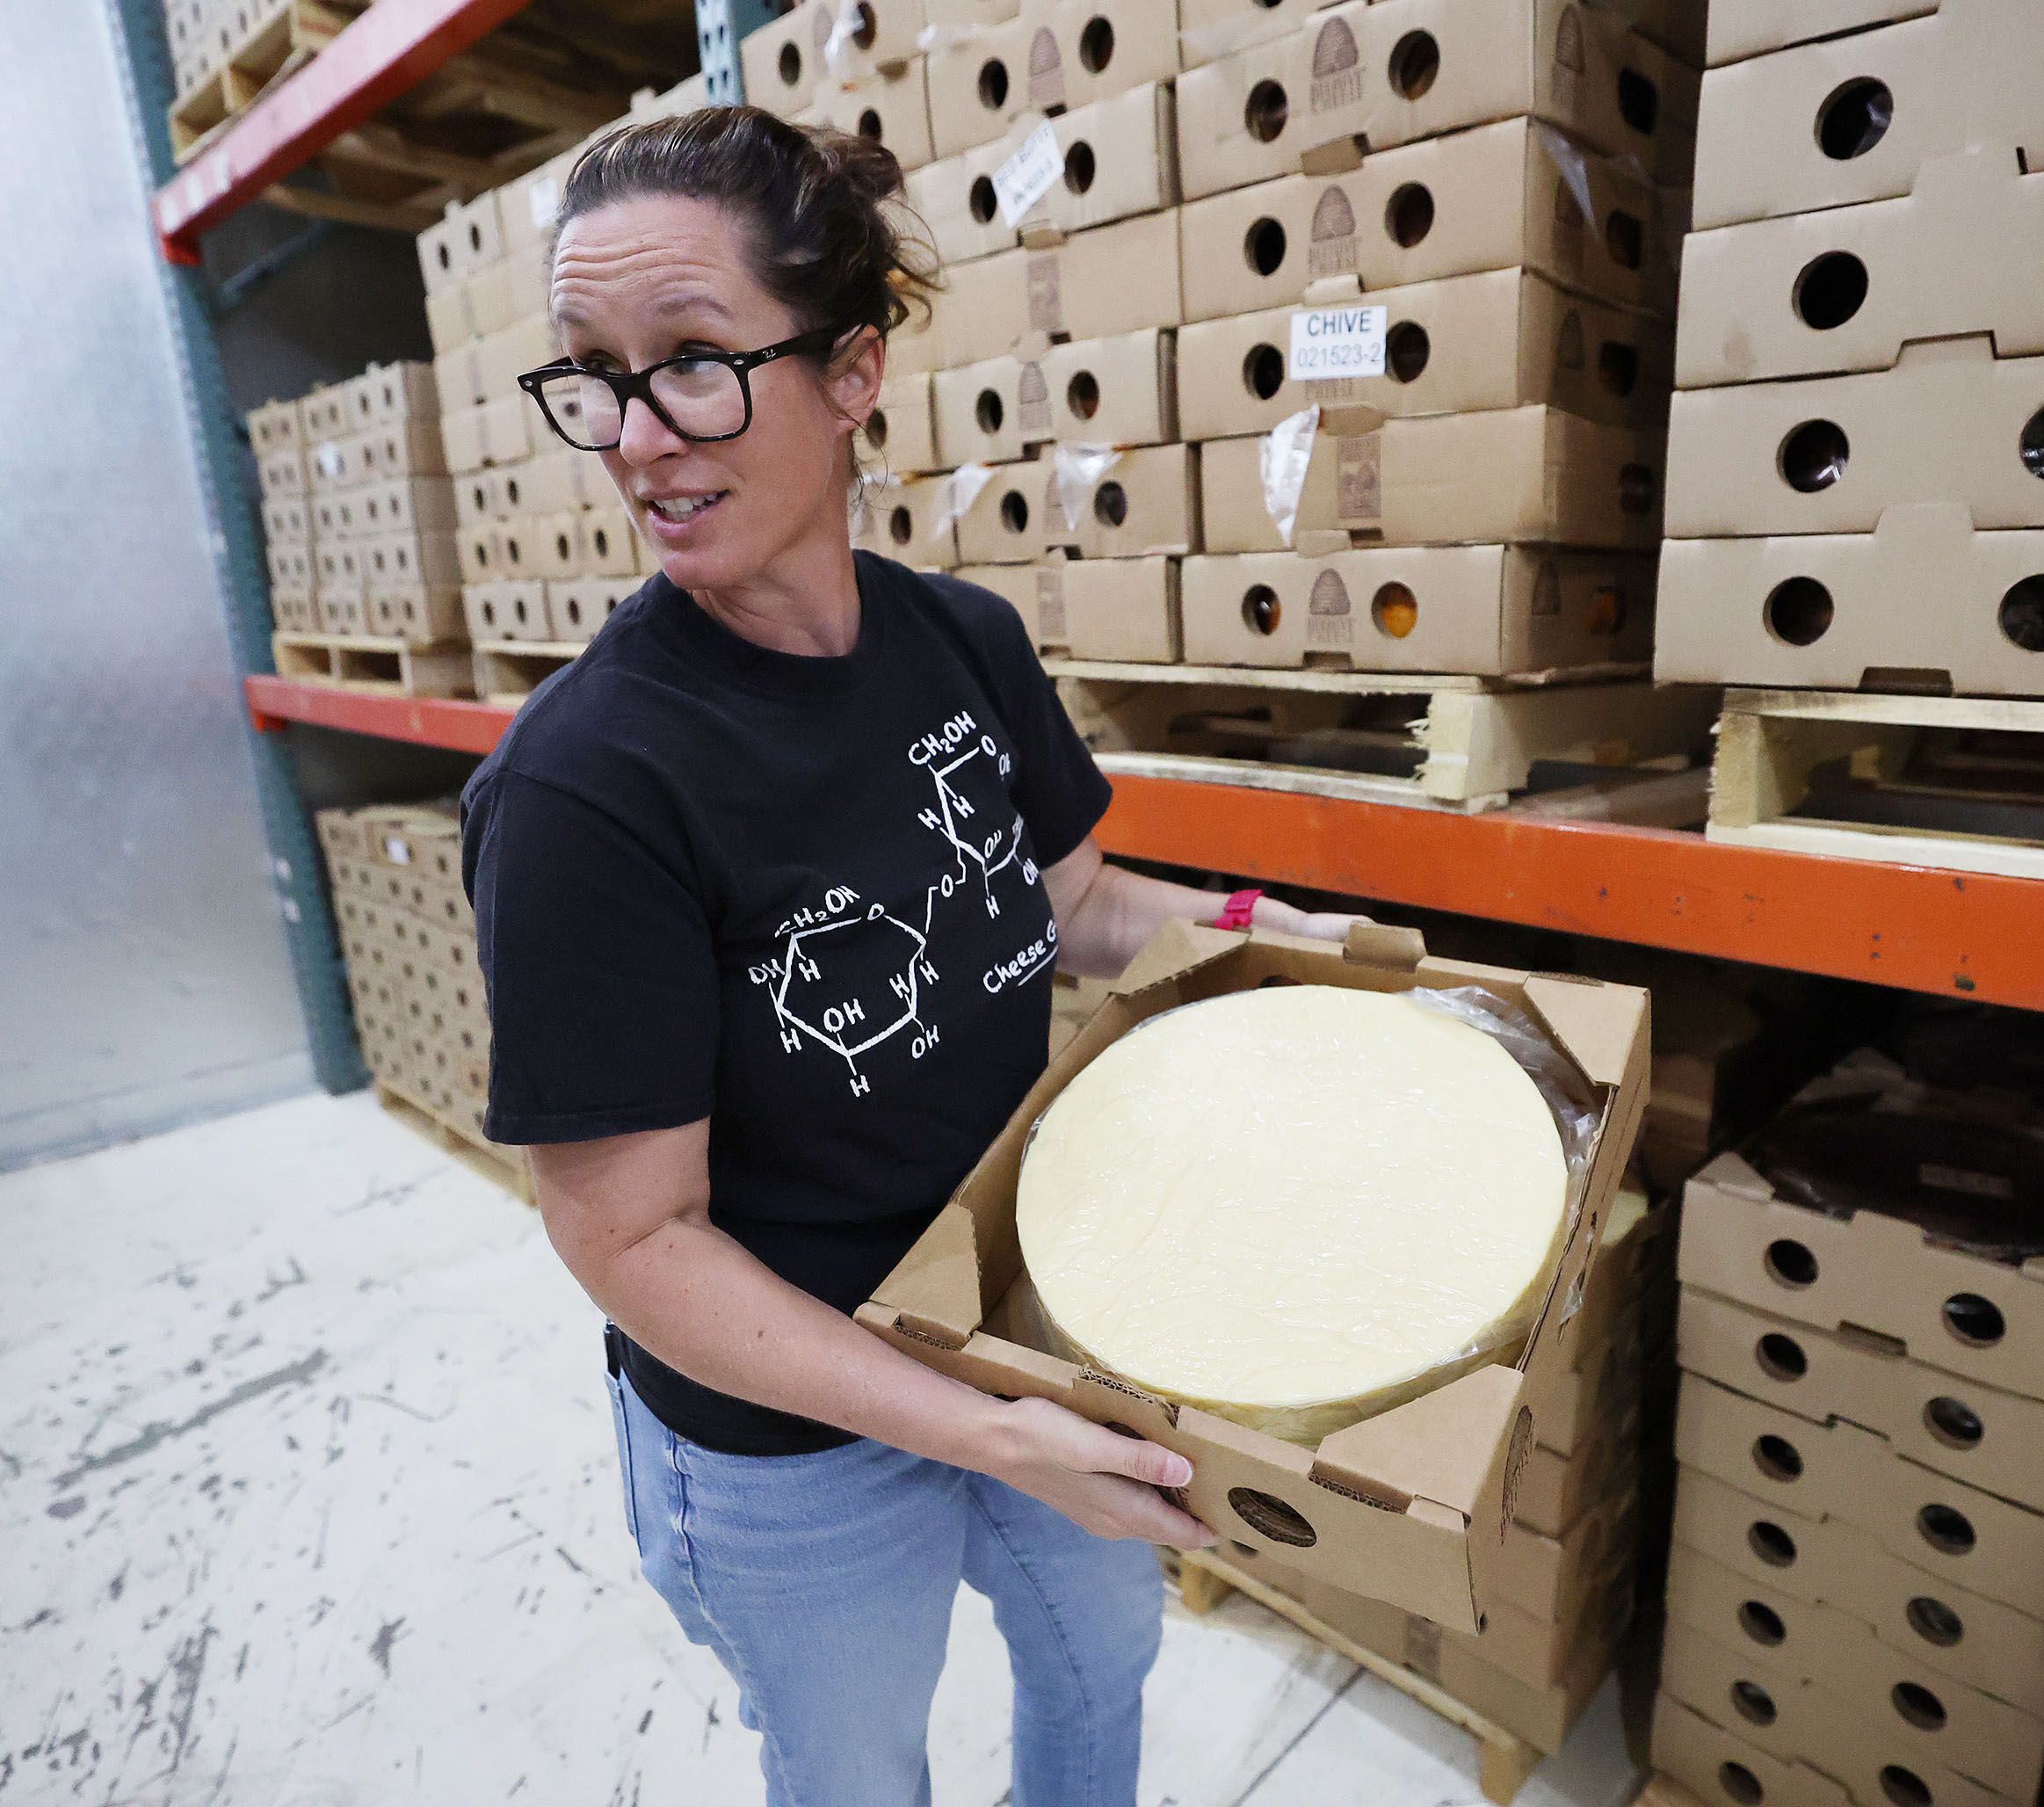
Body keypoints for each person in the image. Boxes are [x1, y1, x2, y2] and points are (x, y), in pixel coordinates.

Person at [460, 106, 1366, 1807]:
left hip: (1030, 1317)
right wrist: (980, 1435)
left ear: (854, 368)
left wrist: (1265, 939)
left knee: (1104, 1666)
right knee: (856, 1767)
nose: (639, 440)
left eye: (696, 363)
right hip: (788, 1440)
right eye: (594, 374)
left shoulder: (965, 641)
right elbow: (632, 1235)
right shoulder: (589, 784)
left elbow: (1073, 903)